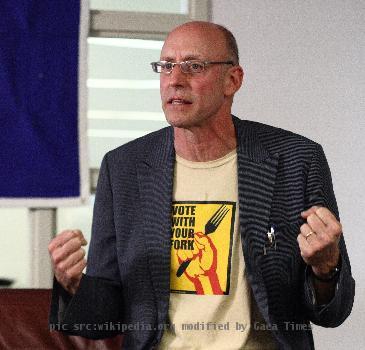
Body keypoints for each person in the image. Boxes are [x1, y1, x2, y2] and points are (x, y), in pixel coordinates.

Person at [48, 21, 355, 349]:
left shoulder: (296, 160)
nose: (175, 81)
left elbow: (331, 313)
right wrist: (72, 285)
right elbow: (101, 320)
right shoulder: (123, 167)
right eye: (166, 67)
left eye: (193, 66)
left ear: (232, 80)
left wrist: (325, 267)